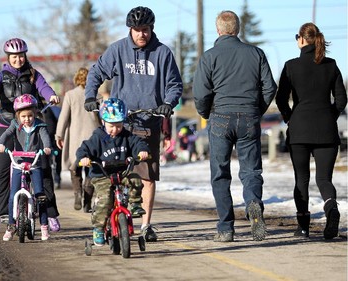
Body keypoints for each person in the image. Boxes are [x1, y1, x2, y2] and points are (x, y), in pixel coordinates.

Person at [83, 6, 183, 242]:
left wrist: (168, 103)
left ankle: (146, 225)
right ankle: (108, 215)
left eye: (145, 30)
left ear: (152, 29)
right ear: (130, 29)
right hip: (120, 123)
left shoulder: (163, 53)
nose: (141, 34)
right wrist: (90, 95)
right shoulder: (117, 50)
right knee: (112, 173)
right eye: (137, 30)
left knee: (147, 175)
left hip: (149, 122)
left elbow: (174, 84)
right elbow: (96, 72)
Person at [193, 11, 277, 242]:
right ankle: (253, 203)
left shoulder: (209, 57)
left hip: (220, 117)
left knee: (220, 174)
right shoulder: (256, 54)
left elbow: (200, 94)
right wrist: (255, 110)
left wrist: (205, 113)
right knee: (251, 171)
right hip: (249, 117)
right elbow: (270, 87)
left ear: (218, 30)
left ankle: (226, 228)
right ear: (237, 29)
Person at [0, 38, 61, 233]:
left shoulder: (33, 74)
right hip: (7, 126)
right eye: (14, 56)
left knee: (44, 167)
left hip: (32, 127)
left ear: (25, 55)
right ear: (8, 57)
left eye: (21, 55)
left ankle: (51, 214)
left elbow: (44, 87)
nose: (18, 59)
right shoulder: (2, 75)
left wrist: (51, 95)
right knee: (2, 172)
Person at [276, 23, 347, 239]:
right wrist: (329, 116)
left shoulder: (290, 66)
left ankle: (303, 227)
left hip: (299, 131)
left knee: (302, 179)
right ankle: (331, 209)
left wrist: (290, 118)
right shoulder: (331, 65)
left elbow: (281, 99)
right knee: (324, 179)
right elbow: (342, 99)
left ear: (302, 39)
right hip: (326, 131)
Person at [76, 98, 150, 246]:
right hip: (102, 175)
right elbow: (85, 148)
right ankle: (98, 228)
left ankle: (135, 204)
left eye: (118, 125)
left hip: (122, 173)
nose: (115, 129)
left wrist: (142, 151)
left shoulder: (126, 136)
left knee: (135, 179)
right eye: (111, 126)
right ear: (103, 122)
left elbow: (138, 142)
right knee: (104, 200)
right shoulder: (98, 137)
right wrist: (84, 157)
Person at [0, 94, 51, 241]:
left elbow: (45, 137)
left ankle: (45, 226)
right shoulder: (15, 124)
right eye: (23, 116)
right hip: (17, 162)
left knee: (40, 195)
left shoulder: (40, 125)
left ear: (34, 114)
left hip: (34, 163)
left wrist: (46, 147)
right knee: (13, 195)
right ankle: (11, 225)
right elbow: (6, 134)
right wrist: (1, 144)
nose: (27, 119)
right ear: (18, 116)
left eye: (30, 116)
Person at [55, 67, 101, 212]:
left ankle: (77, 194)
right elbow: (100, 118)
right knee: (91, 168)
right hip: (93, 137)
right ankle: (87, 199)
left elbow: (63, 117)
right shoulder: (96, 95)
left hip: (75, 136)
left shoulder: (70, 95)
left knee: (75, 167)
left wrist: (59, 135)